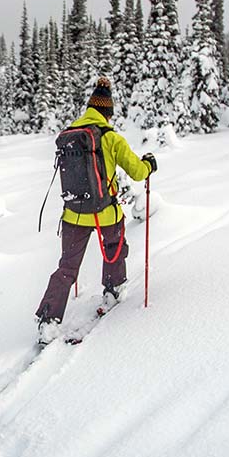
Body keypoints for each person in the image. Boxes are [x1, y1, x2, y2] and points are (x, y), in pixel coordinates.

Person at [35, 77, 156, 342]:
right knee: (114, 248)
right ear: (108, 113)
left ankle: (48, 319)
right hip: (105, 213)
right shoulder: (111, 137)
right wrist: (149, 165)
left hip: (72, 214)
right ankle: (112, 289)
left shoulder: (69, 135)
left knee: (67, 266)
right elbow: (137, 172)